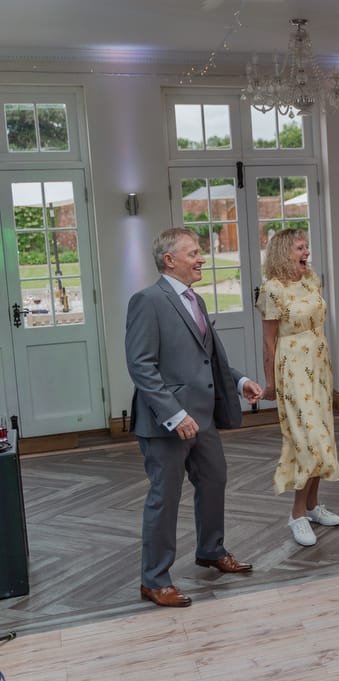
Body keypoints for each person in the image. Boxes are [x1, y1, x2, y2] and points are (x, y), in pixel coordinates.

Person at [125, 227, 261, 608]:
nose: (201, 258)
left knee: (215, 479)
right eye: (194, 253)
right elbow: (141, 366)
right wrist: (173, 414)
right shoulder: (147, 301)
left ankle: (211, 549)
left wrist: (240, 381)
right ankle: (154, 580)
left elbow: (210, 357)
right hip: (166, 424)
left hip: (203, 418)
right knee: (163, 500)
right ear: (170, 260)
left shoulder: (194, 300)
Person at [256, 229, 339, 547]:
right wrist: (269, 383)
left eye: (307, 246)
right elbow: (268, 343)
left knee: (323, 435)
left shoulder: (311, 280)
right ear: (283, 252)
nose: (306, 251)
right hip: (292, 368)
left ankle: (312, 505)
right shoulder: (272, 290)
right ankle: (296, 515)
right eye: (299, 247)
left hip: (319, 365)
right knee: (308, 441)